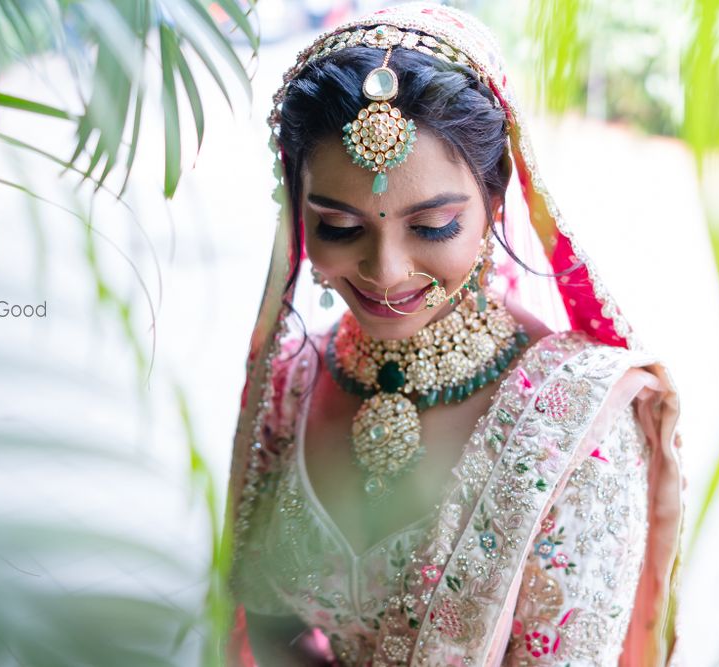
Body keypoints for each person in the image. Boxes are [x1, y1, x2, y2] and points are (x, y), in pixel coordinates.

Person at [223, 3, 687, 665]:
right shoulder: (294, 380)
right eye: (340, 226)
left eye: (433, 225)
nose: (386, 272)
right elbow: (268, 625)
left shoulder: (575, 426)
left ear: (497, 204)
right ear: (298, 214)